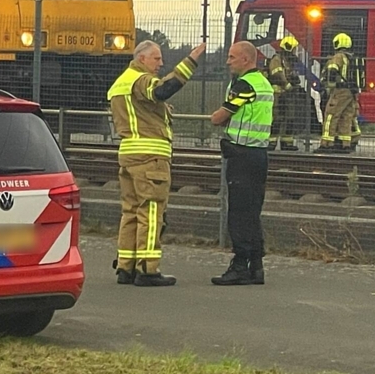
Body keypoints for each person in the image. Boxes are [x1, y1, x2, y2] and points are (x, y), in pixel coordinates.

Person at [107, 39, 206, 287]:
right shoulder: (141, 80)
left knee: (130, 212)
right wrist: (191, 60)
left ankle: (125, 267)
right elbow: (163, 89)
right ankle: (148, 269)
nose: (160, 63)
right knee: (151, 212)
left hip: (129, 155)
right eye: (156, 58)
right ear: (142, 59)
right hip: (150, 157)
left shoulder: (122, 82)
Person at [210, 41, 273, 285]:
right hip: (259, 154)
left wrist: (214, 117)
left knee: (239, 213)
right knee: (252, 211)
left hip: (242, 154)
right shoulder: (263, 83)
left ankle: (240, 266)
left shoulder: (245, 85)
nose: (228, 62)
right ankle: (256, 266)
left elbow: (220, 117)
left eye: (232, 57)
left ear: (246, 60)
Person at [319, 32, 361, 153]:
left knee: (331, 114)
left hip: (341, 90)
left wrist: (331, 84)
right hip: (351, 91)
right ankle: (345, 144)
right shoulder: (352, 57)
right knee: (346, 116)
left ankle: (326, 143)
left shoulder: (338, 56)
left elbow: (332, 69)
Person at [266, 35, 300, 151]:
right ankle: (271, 142)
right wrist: (287, 84)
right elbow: (277, 74)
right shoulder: (277, 59)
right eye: (294, 48)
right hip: (278, 93)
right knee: (277, 118)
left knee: (289, 117)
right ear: (289, 47)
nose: (295, 51)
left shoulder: (288, 61)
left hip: (287, 94)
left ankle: (287, 143)